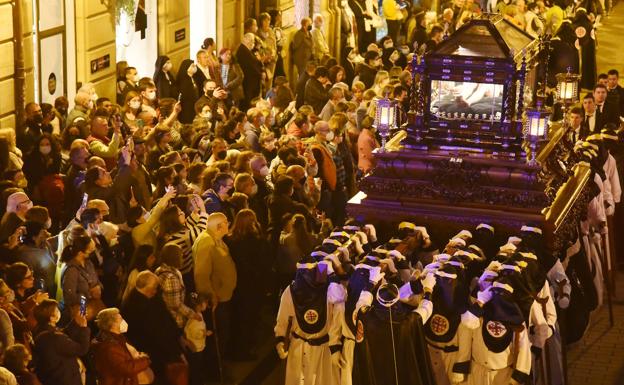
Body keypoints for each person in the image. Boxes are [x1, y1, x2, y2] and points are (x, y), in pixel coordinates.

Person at [192, 212, 236, 379]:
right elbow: (201, 275)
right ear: (219, 227)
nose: (228, 224)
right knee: (218, 338)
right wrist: (210, 296)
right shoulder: (206, 243)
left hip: (224, 296)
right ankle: (215, 371)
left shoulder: (215, 239)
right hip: (216, 301)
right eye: (226, 222)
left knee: (224, 335)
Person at [121, 271, 186, 383]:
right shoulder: (133, 305)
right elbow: (151, 332)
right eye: (154, 288)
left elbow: (165, 316)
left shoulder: (152, 297)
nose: (156, 291)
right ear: (146, 288)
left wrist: (178, 335)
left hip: (164, 347)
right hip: (152, 353)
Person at [224, 209, 271, 359]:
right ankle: (245, 350)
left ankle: (238, 348)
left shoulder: (230, 240)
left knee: (239, 317)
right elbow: (264, 264)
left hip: (237, 284)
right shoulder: (257, 240)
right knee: (249, 318)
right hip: (254, 285)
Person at [32, 299, 90, 385]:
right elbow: (82, 349)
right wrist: (84, 329)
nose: (59, 312)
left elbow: (63, 334)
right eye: (56, 310)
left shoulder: (41, 330)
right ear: (52, 318)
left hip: (52, 378)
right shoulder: (54, 337)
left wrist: (75, 322)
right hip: (64, 378)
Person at [91, 307, 153, 385]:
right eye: (120, 319)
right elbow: (125, 368)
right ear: (112, 324)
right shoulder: (109, 346)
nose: (123, 321)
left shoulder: (118, 337)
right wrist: (145, 360)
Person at [155, 243, 200, 329]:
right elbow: (175, 305)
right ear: (174, 257)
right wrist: (193, 315)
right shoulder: (171, 278)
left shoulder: (160, 269)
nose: (183, 258)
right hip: (174, 321)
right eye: (181, 255)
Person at [236, 33, 264, 111]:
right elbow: (251, 67)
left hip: (251, 82)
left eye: (253, 41)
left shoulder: (248, 50)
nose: (253, 43)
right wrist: (260, 73)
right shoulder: (242, 51)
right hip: (248, 82)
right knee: (248, 104)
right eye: (251, 40)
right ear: (245, 40)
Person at [176, 59, 200, 124]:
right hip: (187, 107)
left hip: (194, 105)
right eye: (192, 66)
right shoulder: (184, 80)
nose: (194, 67)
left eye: (194, 65)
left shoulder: (193, 78)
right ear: (187, 68)